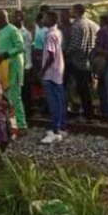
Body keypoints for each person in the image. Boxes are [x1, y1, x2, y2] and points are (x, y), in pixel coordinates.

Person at [0, 9, 27, 135]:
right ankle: (11, 125)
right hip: (4, 68)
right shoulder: (0, 31)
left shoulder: (13, 30)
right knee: (7, 98)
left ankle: (22, 125)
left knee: (15, 97)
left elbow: (20, 47)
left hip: (13, 67)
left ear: (2, 18)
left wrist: (6, 54)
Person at [67, 4, 100, 122]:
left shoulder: (77, 25)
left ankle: (86, 113)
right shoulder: (94, 25)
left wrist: (67, 52)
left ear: (76, 11)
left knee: (81, 88)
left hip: (78, 60)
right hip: (90, 61)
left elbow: (76, 45)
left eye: (72, 10)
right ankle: (89, 111)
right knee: (88, 88)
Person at [41, 11, 68, 144]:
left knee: (54, 102)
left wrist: (43, 70)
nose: (43, 19)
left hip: (51, 73)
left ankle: (56, 131)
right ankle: (61, 127)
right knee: (59, 99)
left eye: (45, 17)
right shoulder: (58, 32)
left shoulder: (50, 34)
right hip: (58, 70)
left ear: (51, 19)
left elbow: (50, 56)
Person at [13, 10, 34, 119]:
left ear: (22, 19)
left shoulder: (26, 33)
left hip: (25, 66)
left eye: (18, 17)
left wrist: (27, 66)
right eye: (15, 17)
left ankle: (28, 113)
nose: (16, 19)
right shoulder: (12, 32)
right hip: (15, 66)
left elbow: (27, 51)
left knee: (25, 91)